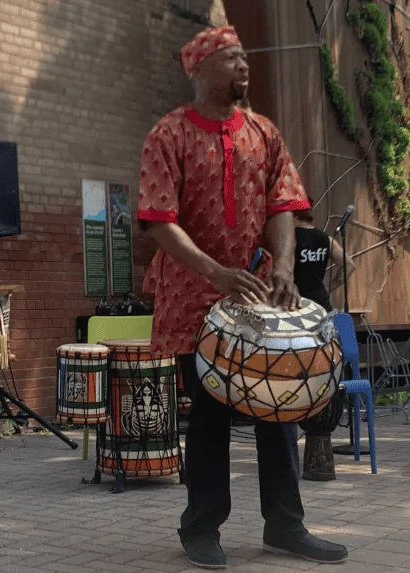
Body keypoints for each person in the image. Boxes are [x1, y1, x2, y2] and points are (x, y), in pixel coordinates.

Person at [137, 26, 349, 569]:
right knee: (209, 414)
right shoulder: (168, 134)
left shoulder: (263, 132)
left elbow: (284, 204)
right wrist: (215, 272)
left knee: (279, 404)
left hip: (254, 292)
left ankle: (285, 524)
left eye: (245, 58)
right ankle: (202, 528)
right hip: (191, 296)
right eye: (231, 59)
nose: (243, 67)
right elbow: (159, 222)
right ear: (200, 69)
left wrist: (282, 265)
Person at [293, 198, 357, 311]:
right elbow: (349, 265)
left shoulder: (290, 239)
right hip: (320, 303)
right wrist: (328, 287)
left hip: (296, 302)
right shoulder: (327, 239)